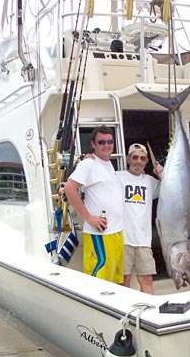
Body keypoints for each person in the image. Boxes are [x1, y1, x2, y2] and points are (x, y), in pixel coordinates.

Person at [64, 125, 124, 284]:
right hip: (100, 235)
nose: (106, 145)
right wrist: (89, 218)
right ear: (93, 144)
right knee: (98, 283)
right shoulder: (88, 164)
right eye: (101, 142)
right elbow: (70, 188)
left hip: (116, 233)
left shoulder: (108, 164)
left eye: (110, 141)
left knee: (113, 282)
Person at [116, 143, 162, 294]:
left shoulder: (151, 181)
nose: (138, 161)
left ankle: (149, 314)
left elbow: (172, 187)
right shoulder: (116, 177)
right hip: (122, 239)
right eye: (135, 157)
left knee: (147, 281)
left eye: (142, 158)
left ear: (147, 161)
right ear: (128, 159)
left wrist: (162, 173)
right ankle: (123, 314)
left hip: (143, 240)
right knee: (124, 281)